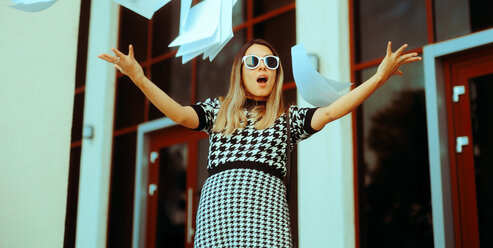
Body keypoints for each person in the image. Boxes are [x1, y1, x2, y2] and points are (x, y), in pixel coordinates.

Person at [98, 38, 421, 248]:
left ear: (277, 74)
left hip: (265, 219)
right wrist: (139, 77)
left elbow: (334, 110)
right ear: (241, 72)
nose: (262, 67)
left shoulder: (287, 117)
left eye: (270, 62)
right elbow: (181, 116)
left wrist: (378, 77)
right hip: (217, 218)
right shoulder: (219, 110)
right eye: (253, 62)